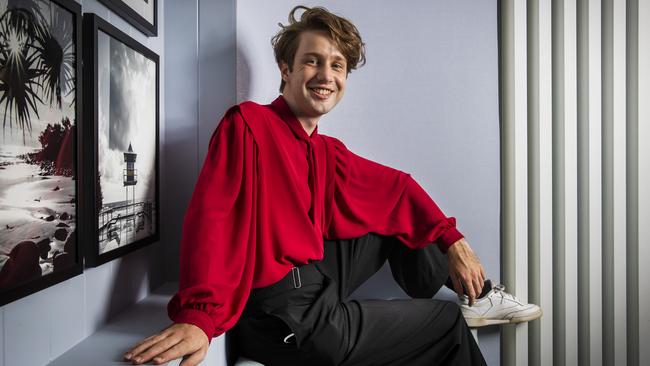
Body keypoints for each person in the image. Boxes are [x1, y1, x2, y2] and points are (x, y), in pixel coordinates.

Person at [124, 6, 541, 366]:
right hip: (285, 317)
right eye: (312, 61)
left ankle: (478, 296)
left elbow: (398, 189)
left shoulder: (324, 150)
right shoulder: (249, 125)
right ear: (286, 69)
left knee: (391, 207)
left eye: (337, 65)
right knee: (445, 323)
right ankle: (460, 309)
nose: (326, 75)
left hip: (313, 281)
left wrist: (453, 241)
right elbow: (211, 221)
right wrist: (200, 315)